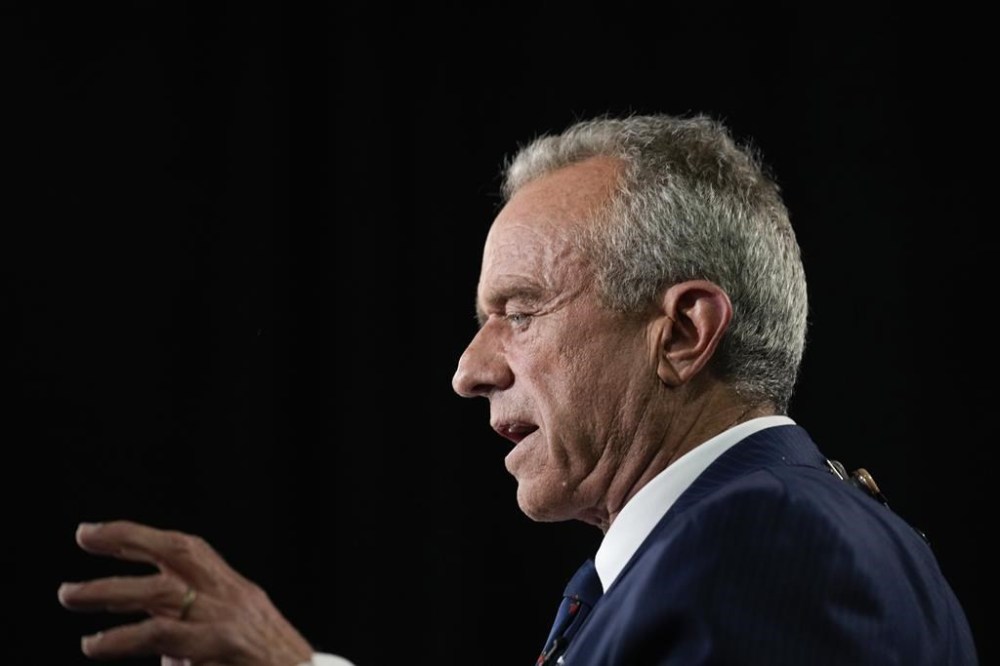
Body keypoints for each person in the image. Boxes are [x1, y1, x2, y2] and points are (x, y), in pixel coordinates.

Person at [58, 112, 979, 665]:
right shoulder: (725, 543)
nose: (470, 368)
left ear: (685, 332)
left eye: (521, 311)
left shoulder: (765, 545)